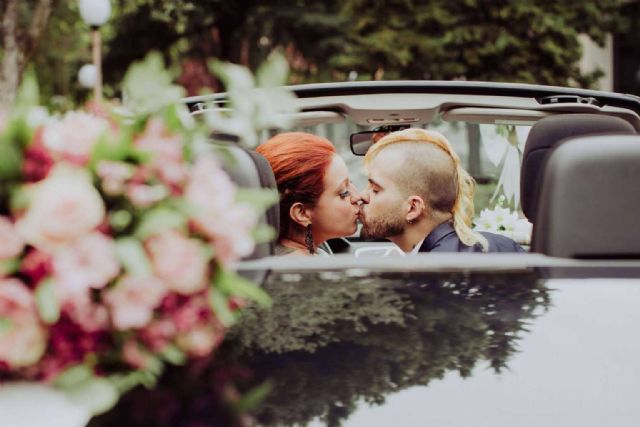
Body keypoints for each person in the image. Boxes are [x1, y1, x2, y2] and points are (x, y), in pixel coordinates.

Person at [359, 128, 524, 253]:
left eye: (375, 190)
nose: (362, 196)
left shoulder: (429, 279)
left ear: (413, 208)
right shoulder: (506, 246)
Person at [256, 132, 361, 256]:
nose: (357, 196)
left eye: (351, 182)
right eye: (344, 192)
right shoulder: (306, 269)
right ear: (301, 213)